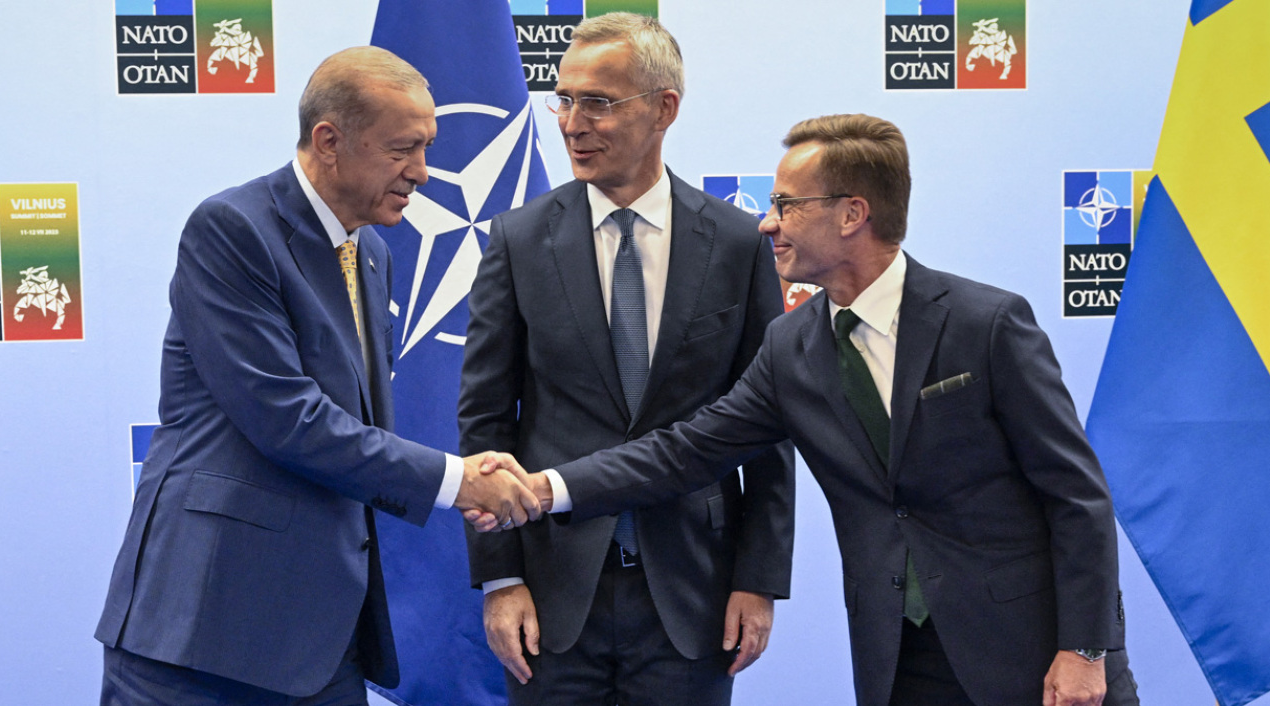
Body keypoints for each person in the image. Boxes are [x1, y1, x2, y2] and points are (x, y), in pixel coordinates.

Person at [511, 113, 1140, 706]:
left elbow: (1076, 496)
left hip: (1039, 653)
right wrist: (546, 488)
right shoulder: (791, 348)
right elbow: (685, 452)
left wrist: (1086, 649)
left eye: (787, 205)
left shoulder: (987, 324)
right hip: (897, 658)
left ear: (852, 214)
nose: (767, 223)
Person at [95, 46, 538, 705]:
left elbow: (355, 425)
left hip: (321, 640)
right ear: (330, 141)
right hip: (203, 634)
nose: (422, 172)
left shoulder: (373, 253)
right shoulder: (233, 229)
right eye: (403, 149)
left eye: (426, 147)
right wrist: (457, 480)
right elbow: (288, 419)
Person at [458, 12, 795, 706]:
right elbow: (486, 424)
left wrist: (759, 579)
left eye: (598, 103)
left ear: (664, 109)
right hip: (551, 597)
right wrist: (501, 579)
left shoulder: (737, 244)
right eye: (563, 100)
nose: (572, 124)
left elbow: (768, 429)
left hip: (695, 594)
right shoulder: (518, 239)